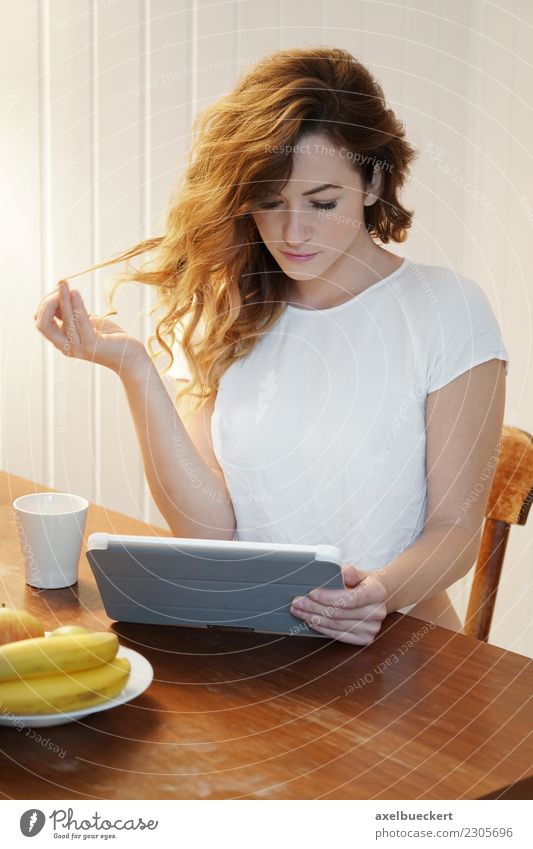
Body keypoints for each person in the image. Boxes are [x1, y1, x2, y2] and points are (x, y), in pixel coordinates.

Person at [33, 46, 509, 644]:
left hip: (400, 647)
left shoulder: (448, 310)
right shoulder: (228, 310)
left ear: (374, 180)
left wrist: (377, 594)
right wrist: (133, 367)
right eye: (270, 202)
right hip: (252, 642)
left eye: (322, 202)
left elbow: (454, 530)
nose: (293, 233)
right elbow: (211, 534)